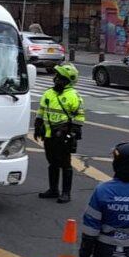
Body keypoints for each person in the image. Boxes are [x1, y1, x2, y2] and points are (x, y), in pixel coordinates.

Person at [33, 63, 85, 203]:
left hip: (64, 136)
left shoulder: (73, 96)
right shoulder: (49, 93)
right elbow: (41, 110)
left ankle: (66, 193)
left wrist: (71, 133)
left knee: (65, 164)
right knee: (52, 162)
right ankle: (53, 190)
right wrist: (38, 125)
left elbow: (79, 117)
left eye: (60, 77)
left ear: (67, 80)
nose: (56, 79)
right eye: (56, 76)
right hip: (49, 135)